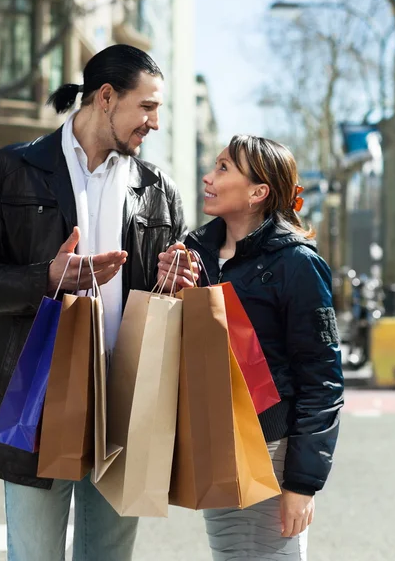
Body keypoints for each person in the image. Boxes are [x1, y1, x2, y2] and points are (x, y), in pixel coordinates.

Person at [0, 44, 186, 561]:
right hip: (35, 398)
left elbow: (167, 300)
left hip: (124, 405)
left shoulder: (159, 190)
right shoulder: (13, 169)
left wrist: (178, 282)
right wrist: (47, 277)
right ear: (106, 97)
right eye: (147, 107)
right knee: (34, 554)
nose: (153, 123)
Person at [158, 135, 344, 561]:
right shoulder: (195, 252)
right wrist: (173, 288)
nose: (208, 177)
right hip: (214, 438)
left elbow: (322, 380)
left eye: (224, 169)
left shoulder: (298, 263)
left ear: (259, 192)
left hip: (269, 446)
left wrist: (302, 484)